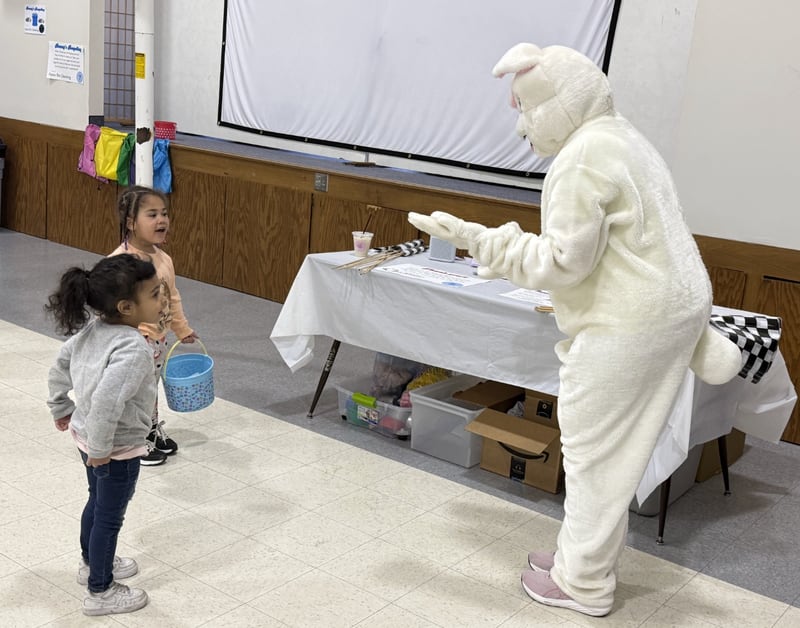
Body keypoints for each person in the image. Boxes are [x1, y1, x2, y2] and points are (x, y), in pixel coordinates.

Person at [409, 43, 742, 617]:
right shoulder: (621, 136)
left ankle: (584, 584)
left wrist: (479, 238)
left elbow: (562, 264)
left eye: (525, 111)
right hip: (674, 306)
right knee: (604, 450)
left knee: (595, 455)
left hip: (629, 322)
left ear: (555, 105)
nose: (521, 129)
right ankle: (574, 558)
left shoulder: (581, 159)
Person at [46, 254, 164, 616]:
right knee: (109, 517)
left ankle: (90, 563)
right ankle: (101, 591)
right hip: (115, 447)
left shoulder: (95, 329)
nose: (164, 300)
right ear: (127, 306)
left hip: (89, 438)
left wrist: (61, 406)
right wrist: (101, 449)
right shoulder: (133, 349)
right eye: (156, 294)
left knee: (96, 504)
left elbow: (60, 365)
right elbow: (107, 404)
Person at [110, 185, 198, 466]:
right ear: (130, 222)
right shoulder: (120, 263)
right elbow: (110, 309)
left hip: (158, 340)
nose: (161, 220)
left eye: (164, 213)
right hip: (132, 342)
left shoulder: (164, 258)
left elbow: (172, 296)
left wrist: (181, 328)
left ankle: (149, 430)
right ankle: (132, 441)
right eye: (152, 214)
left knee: (150, 389)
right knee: (133, 392)